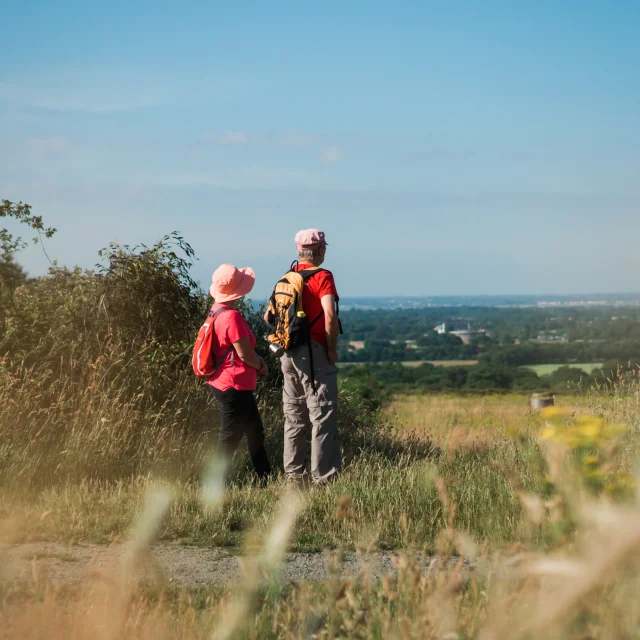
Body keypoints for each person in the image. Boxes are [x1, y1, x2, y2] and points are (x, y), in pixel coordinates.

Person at [271, 229, 341, 485]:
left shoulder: (287, 277)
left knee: (294, 417)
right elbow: (330, 316)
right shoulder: (324, 277)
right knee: (322, 414)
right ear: (320, 250)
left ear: (299, 251)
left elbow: (270, 316)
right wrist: (331, 349)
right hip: (314, 354)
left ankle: (293, 479)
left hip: (288, 353)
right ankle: (323, 480)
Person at [207, 263, 272, 484]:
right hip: (234, 385)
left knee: (254, 432)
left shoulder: (215, 310)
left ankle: (266, 479)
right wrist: (262, 365)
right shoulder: (231, 317)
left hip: (226, 382)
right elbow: (245, 355)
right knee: (229, 439)